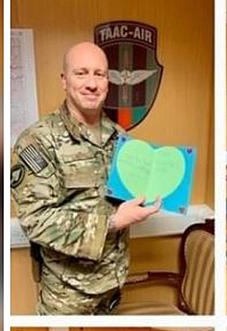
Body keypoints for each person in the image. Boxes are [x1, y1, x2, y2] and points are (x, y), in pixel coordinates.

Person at [11, 42, 160, 314]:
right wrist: (113, 222)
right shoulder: (38, 140)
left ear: (108, 81)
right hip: (67, 298)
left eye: (99, 74)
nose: (92, 83)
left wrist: (154, 189)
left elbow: (124, 196)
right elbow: (36, 220)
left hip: (113, 288)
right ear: (64, 81)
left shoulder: (121, 138)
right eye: (81, 73)